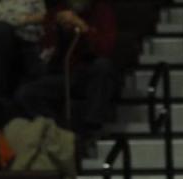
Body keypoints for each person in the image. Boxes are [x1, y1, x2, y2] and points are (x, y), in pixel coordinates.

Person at [13, 0, 119, 154]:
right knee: (26, 94)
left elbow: (105, 49)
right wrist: (56, 30)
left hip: (89, 73)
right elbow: (45, 54)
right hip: (63, 74)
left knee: (103, 67)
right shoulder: (57, 12)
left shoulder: (102, 11)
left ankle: (91, 128)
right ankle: (60, 131)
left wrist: (82, 27)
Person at [0, 0, 45, 99]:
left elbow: (42, 14)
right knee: (1, 29)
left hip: (32, 38)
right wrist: (26, 19)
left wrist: (26, 19)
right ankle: (0, 95)